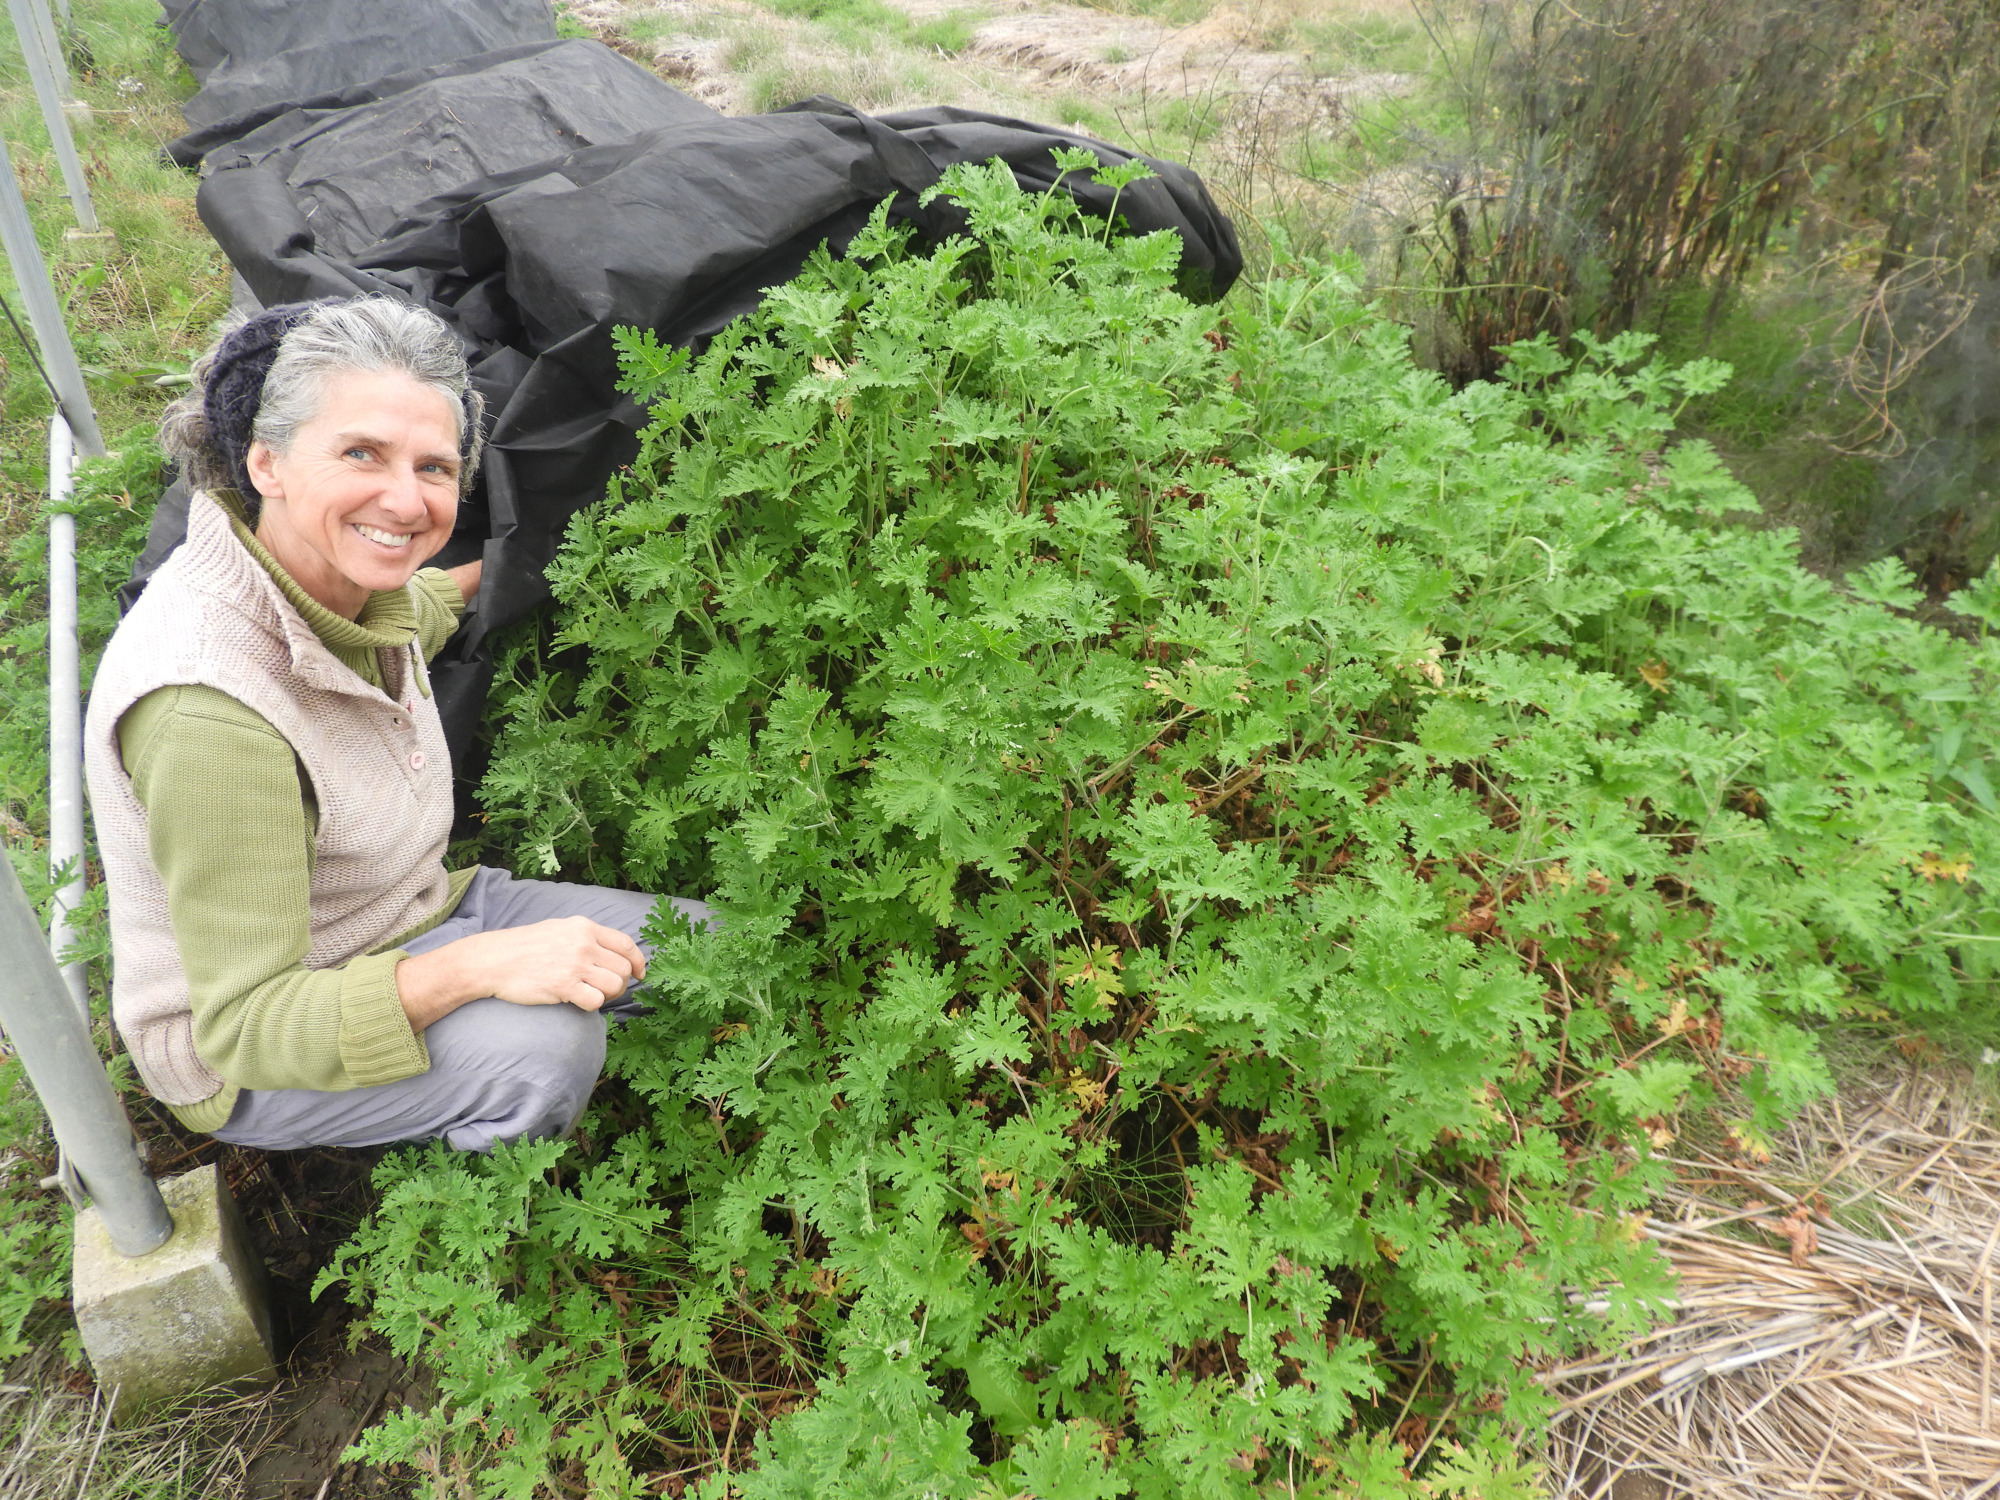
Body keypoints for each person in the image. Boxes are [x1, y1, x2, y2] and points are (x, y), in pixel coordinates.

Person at [84, 296, 709, 1152]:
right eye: (361, 453)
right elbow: (247, 1027)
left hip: (411, 913)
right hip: (259, 1050)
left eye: (436, 468)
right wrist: (482, 966)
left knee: (707, 952)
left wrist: (568, 554)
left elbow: (419, 605)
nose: (405, 500)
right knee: (549, 1048)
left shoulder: (332, 582)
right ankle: (486, 1194)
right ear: (266, 462)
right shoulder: (210, 712)